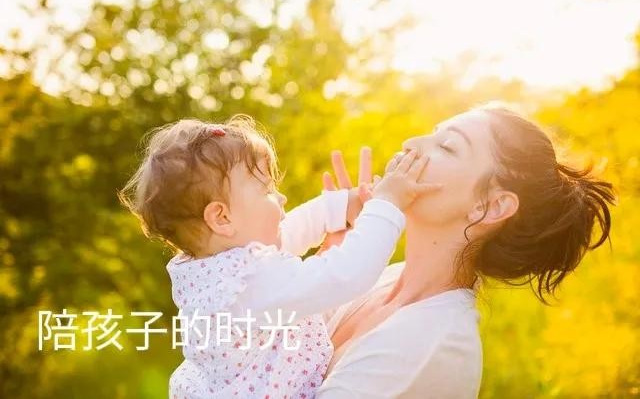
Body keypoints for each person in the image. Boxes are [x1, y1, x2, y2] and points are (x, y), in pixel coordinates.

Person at [118, 114, 441, 398]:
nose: (281, 197)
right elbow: (347, 274)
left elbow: (289, 232)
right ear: (222, 218)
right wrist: (387, 205)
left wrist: (344, 205)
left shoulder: (217, 268)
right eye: (267, 190)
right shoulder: (248, 286)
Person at [316, 102, 615, 398]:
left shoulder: (433, 343)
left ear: (491, 206)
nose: (411, 144)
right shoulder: (383, 279)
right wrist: (330, 264)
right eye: (433, 133)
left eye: (446, 146)